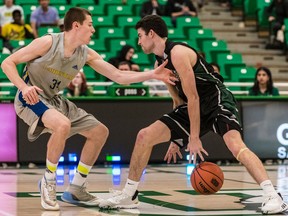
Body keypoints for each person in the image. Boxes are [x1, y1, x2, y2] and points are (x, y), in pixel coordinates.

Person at [98, 15, 288, 215]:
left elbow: (194, 97)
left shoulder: (178, 53)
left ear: (151, 34)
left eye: (140, 36)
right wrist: (176, 138)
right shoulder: (158, 65)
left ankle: (272, 195)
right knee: (144, 136)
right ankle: (129, 195)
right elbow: (179, 102)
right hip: (191, 105)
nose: (138, 41)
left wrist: (194, 137)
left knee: (235, 146)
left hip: (216, 100)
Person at [0, 8, 176, 211]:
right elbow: (7, 62)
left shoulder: (85, 53)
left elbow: (118, 76)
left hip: (55, 100)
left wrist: (153, 74)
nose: (93, 30)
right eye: (90, 25)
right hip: (30, 97)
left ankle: (76, 187)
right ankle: (48, 182)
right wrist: (24, 87)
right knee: (62, 125)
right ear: (76, 25)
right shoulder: (48, 42)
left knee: (99, 132)